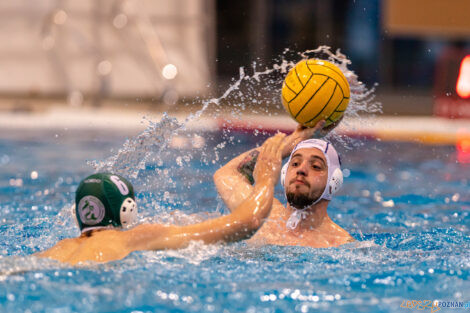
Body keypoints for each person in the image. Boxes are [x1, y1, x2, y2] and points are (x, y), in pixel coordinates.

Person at [36, 133, 286, 265]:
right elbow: (247, 223)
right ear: (127, 209)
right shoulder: (138, 236)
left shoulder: (55, 251)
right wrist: (265, 178)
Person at [214, 121, 354, 248]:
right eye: (295, 163)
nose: (301, 170)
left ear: (334, 181)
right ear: (284, 174)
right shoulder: (260, 215)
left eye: (316, 166)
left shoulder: (340, 244)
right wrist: (297, 138)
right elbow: (227, 174)